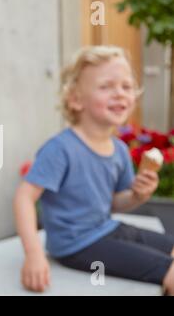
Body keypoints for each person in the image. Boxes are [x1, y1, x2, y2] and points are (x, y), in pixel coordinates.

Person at [13, 45, 174, 295]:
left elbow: (113, 203)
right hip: (76, 244)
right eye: (106, 86)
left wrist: (137, 195)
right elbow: (24, 197)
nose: (120, 94)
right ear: (76, 100)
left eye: (126, 86)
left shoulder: (119, 149)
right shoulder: (61, 148)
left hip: (107, 228)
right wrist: (33, 254)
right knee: (170, 269)